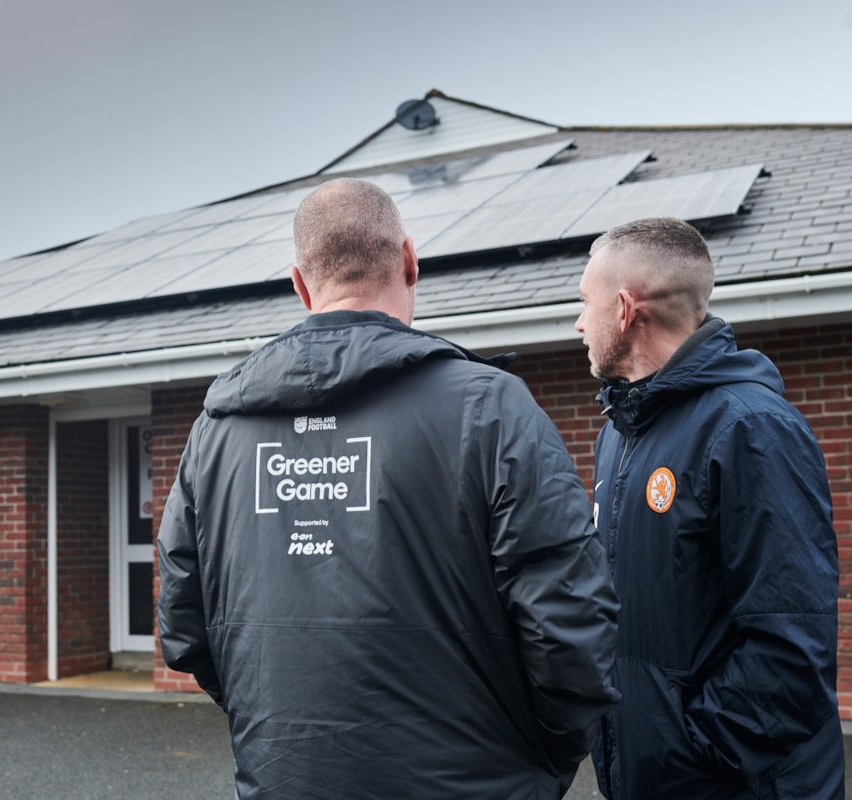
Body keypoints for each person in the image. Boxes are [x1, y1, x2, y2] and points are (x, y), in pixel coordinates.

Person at [157, 177, 620, 798]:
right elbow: (569, 622)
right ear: (409, 260)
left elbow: (184, 624)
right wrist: (540, 755)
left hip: (284, 780)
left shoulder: (215, 432)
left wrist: (279, 727)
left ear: (300, 284)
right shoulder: (490, 408)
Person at [575, 217, 844, 798]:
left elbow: (791, 644)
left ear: (624, 310)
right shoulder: (619, 434)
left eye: (584, 303)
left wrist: (686, 750)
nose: (577, 323)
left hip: (727, 782)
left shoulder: (751, 428)